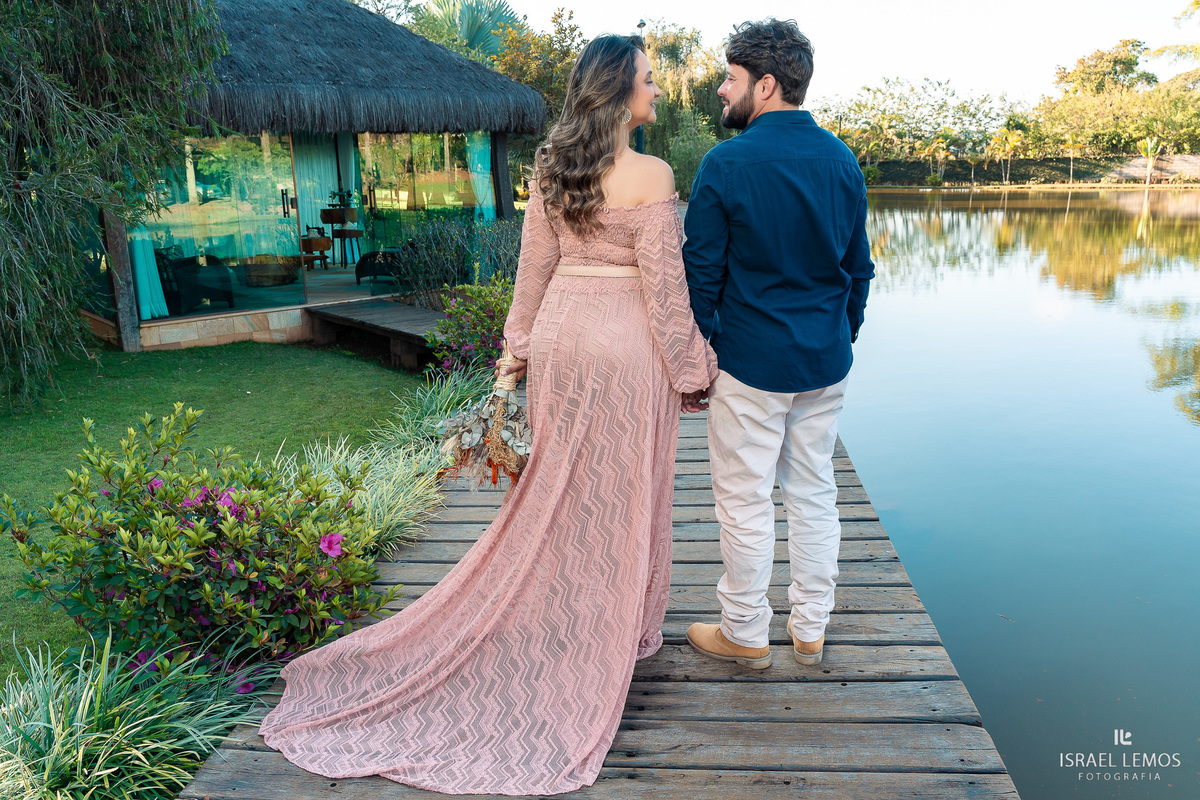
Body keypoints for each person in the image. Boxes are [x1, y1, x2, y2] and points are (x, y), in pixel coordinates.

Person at [257, 35, 718, 796]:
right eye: (648, 81)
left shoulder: (552, 168)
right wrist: (696, 372)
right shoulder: (653, 174)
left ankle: (562, 619)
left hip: (565, 344)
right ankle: (611, 629)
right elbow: (669, 302)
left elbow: (530, 276)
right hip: (625, 346)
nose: (657, 93)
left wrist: (513, 360)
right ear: (618, 90)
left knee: (554, 491)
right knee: (625, 491)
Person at [681, 19, 875, 670]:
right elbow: (860, 269)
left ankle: (745, 633)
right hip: (825, 361)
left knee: (744, 499)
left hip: (752, 363)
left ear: (765, 85)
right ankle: (810, 632)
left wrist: (704, 354)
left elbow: (701, 276)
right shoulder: (841, 159)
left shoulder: (725, 164)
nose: (719, 90)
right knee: (815, 491)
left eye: (729, 79)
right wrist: (840, 333)